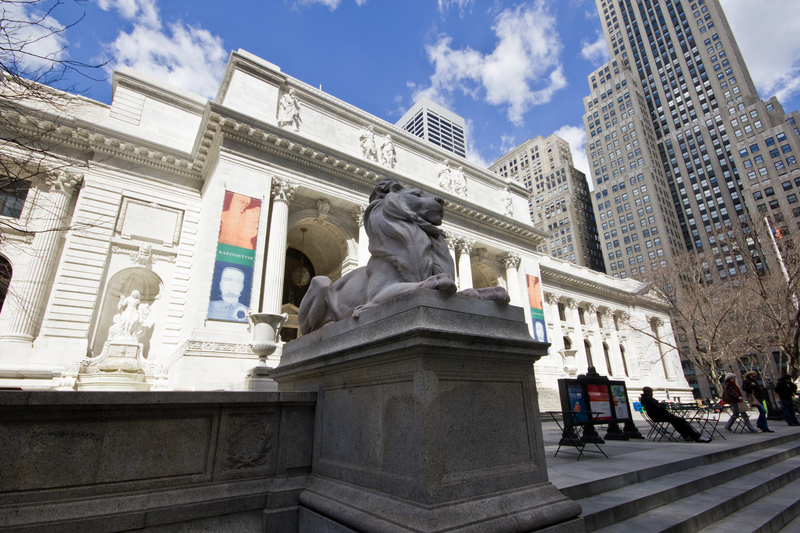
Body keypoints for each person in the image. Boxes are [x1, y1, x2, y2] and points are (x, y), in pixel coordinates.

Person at [640, 387, 711, 442]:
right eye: (651, 391)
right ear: (648, 392)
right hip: (661, 416)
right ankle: (697, 436)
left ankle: (686, 435)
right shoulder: (648, 399)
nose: (652, 393)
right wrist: (663, 404)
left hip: (659, 416)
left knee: (676, 421)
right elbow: (658, 409)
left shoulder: (645, 399)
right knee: (681, 420)